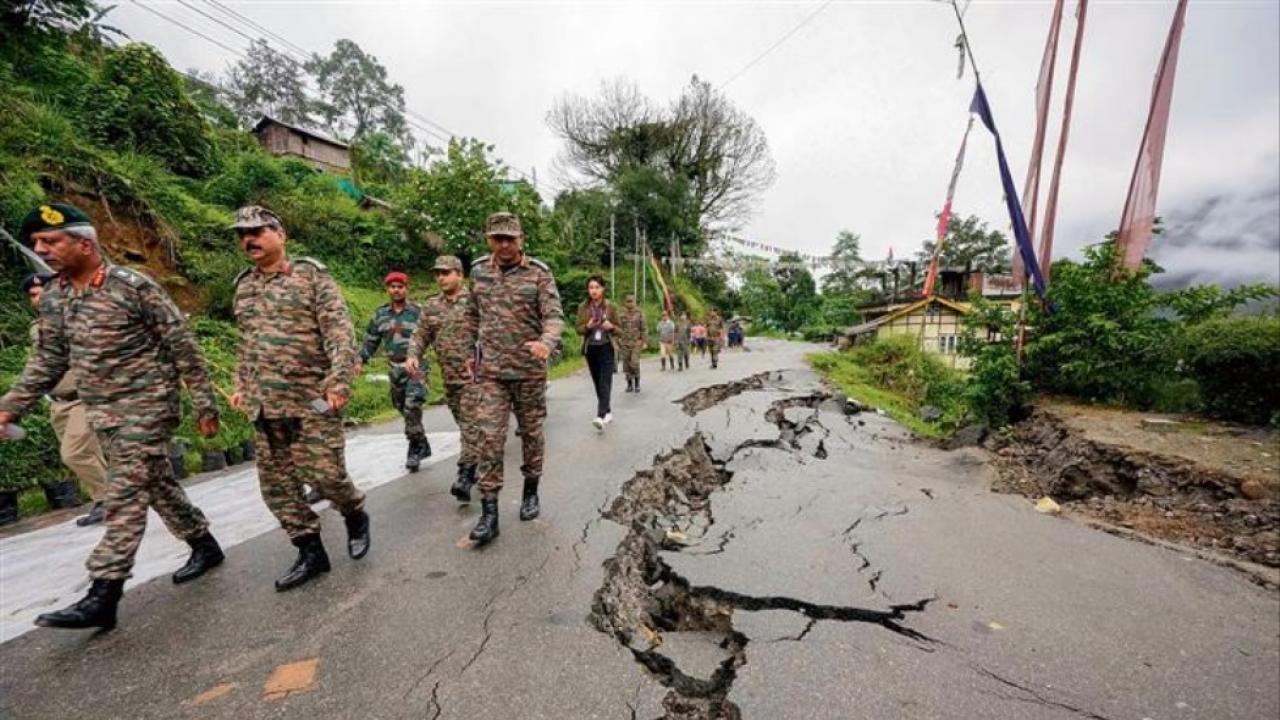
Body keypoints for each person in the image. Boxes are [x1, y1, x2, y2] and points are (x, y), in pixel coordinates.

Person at [0, 204, 225, 631]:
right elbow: (46, 361)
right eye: (36, 244)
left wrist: (204, 404)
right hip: (102, 412)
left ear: (85, 244)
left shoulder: (133, 287)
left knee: (124, 491)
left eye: (52, 241)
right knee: (156, 483)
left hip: (148, 405)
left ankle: (104, 591)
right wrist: (10, 405)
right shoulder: (55, 299)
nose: (42, 249)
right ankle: (203, 542)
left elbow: (183, 346)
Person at [228, 205, 370, 591]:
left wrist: (339, 383)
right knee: (277, 487)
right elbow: (246, 344)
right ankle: (310, 551)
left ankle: (354, 510)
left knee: (325, 476)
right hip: (265, 404)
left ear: (281, 234)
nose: (248, 239)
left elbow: (340, 335)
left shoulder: (311, 278)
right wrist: (241, 383)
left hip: (312, 401)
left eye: (257, 231)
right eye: (242, 234)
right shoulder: (244, 286)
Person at [465, 212, 564, 545]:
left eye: (510, 238)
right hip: (491, 373)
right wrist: (469, 353)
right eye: (498, 238)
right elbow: (471, 317)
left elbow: (554, 317)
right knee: (489, 438)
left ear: (521, 239)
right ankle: (489, 513)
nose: (504, 244)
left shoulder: (538, 275)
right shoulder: (478, 272)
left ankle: (531, 490)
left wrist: (546, 343)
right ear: (488, 239)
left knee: (532, 433)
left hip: (529, 372)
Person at [23, 273, 109, 526]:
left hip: (83, 398)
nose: (37, 298)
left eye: (42, 292)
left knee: (74, 453)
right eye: (33, 295)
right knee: (89, 453)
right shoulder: (37, 328)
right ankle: (105, 500)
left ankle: (110, 501)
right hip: (58, 403)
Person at [405, 256, 483, 502]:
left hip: (475, 378)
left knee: (471, 428)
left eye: (446, 273)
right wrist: (413, 355)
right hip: (450, 379)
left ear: (459, 274)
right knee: (467, 427)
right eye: (437, 273)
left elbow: (492, 331)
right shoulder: (431, 306)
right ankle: (478, 463)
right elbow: (420, 335)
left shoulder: (474, 301)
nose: (441, 278)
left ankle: (465, 475)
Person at [360, 271, 431, 472]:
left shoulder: (418, 311)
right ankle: (421, 440)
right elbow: (371, 341)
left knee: (412, 405)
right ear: (387, 289)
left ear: (406, 289)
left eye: (400, 286)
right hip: (394, 367)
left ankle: (415, 448)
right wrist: (359, 361)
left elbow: (431, 334)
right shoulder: (380, 315)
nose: (396, 290)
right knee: (401, 406)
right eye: (392, 287)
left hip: (417, 366)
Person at [575, 275, 619, 431]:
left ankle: (600, 416)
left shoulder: (611, 307)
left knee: (605, 382)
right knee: (597, 382)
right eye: (591, 288)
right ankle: (607, 411)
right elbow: (578, 329)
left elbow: (620, 330)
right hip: (591, 348)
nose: (593, 291)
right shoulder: (583, 307)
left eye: (597, 287)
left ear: (603, 289)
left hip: (607, 347)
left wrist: (611, 327)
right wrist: (587, 326)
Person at [618, 295, 646, 392]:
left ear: (635, 302)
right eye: (628, 301)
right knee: (626, 365)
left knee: (634, 363)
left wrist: (643, 341)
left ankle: (637, 383)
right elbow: (618, 328)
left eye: (631, 301)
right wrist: (618, 340)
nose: (630, 303)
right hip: (625, 343)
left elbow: (644, 328)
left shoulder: (640, 313)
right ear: (625, 303)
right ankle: (629, 384)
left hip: (636, 343)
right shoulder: (621, 315)